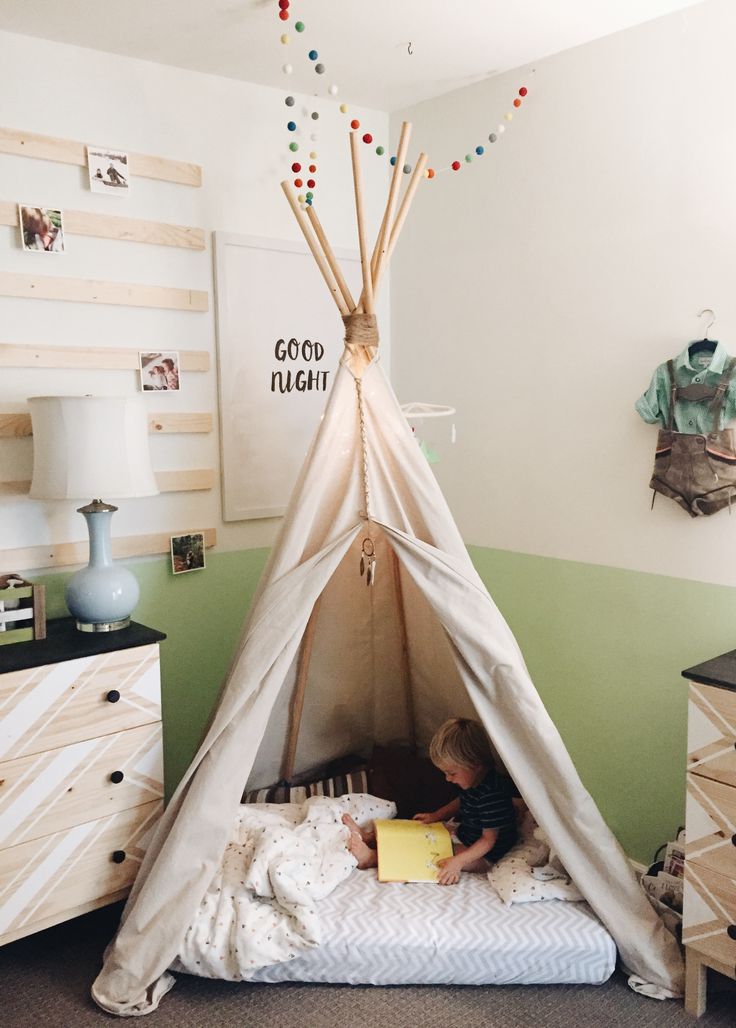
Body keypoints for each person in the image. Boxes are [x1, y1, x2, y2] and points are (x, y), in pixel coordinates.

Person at [343, 717, 520, 886]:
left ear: (475, 765)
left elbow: (488, 841)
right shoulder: (474, 781)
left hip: (484, 856)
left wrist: (458, 863)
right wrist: (436, 816)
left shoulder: (492, 794)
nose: (448, 779)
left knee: (429, 853)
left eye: (452, 773)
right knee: (420, 831)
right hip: (466, 835)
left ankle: (372, 858)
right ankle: (370, 838)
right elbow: (461, 801)